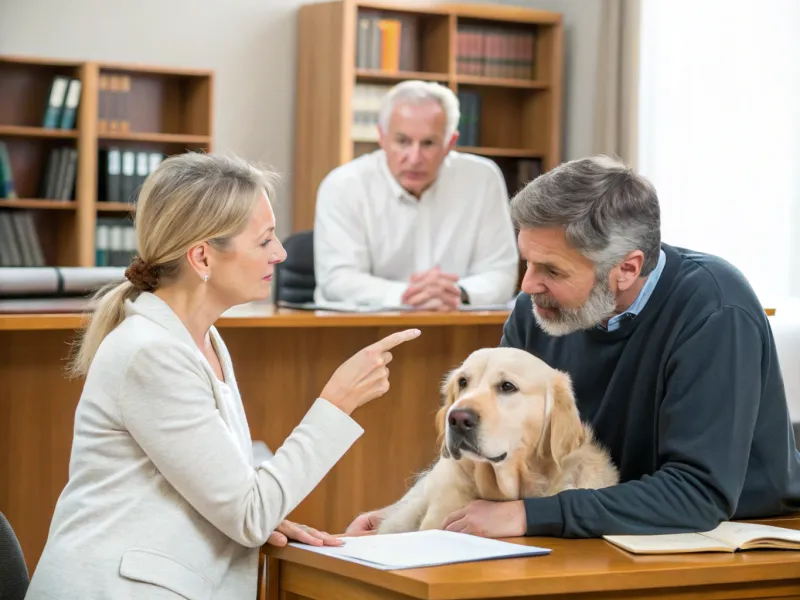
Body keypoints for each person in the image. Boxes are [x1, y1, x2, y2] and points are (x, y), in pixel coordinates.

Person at [24, 153, 421, 599]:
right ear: (202, 258)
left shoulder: (201, 339)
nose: (281, 253)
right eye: (265, 240)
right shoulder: (150, 354)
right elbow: (248, 513)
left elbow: (231, 496)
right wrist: (337, 403)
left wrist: (255, 511)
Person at [345, 155, 800, 539]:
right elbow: (499, 444)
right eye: (526, 261)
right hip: (595, 525)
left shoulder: (715, 311)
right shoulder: (538, 309)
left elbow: (698, 493)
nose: (527, 285)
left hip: (727, 536)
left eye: (552, 270)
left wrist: (532, 515)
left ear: (626, 268)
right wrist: (401, 517)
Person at [313, 80, 519, 311]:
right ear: (381, 137)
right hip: (362, 331)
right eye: (403, 141)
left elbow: (501, 273)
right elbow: (338, 279)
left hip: (456, 324)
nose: (414, 158)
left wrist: (457, 293)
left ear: (449, 143)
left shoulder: (482, 179)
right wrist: (410, 295)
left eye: (429, 143)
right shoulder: (343, 185)